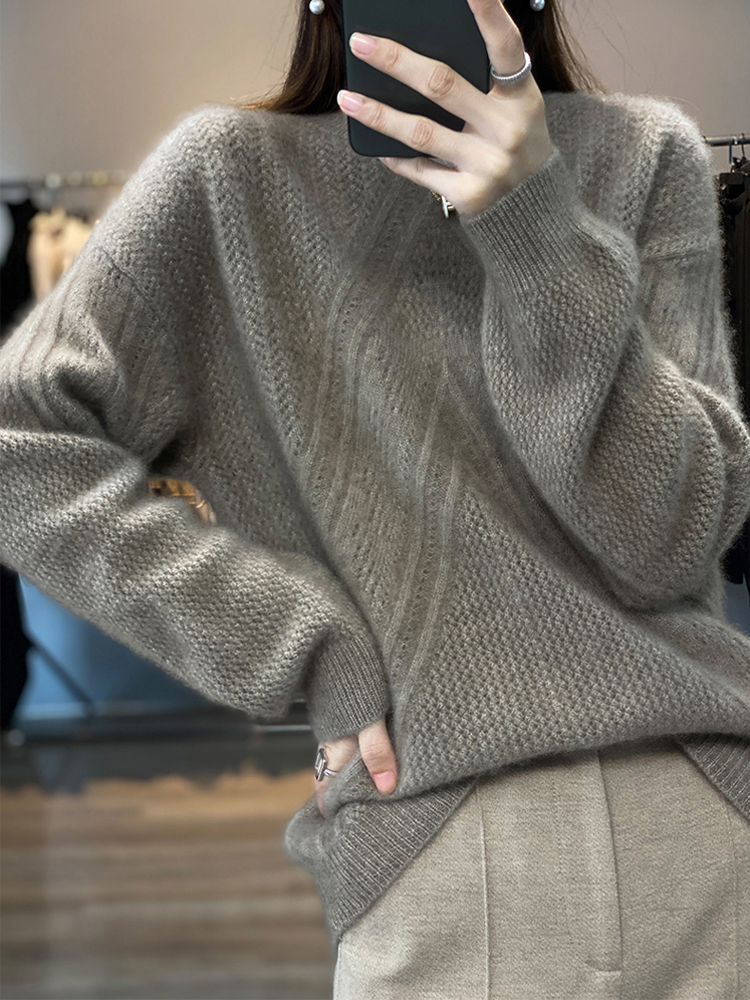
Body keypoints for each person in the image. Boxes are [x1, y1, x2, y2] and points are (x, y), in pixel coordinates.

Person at [1, 0, 749, 996]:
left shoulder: (645, 156)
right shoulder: (230, 180)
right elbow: (18, 446)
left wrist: (538, 224)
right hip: (439, 844)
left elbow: (669, 543)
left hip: (710, 830)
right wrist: (297, 636)